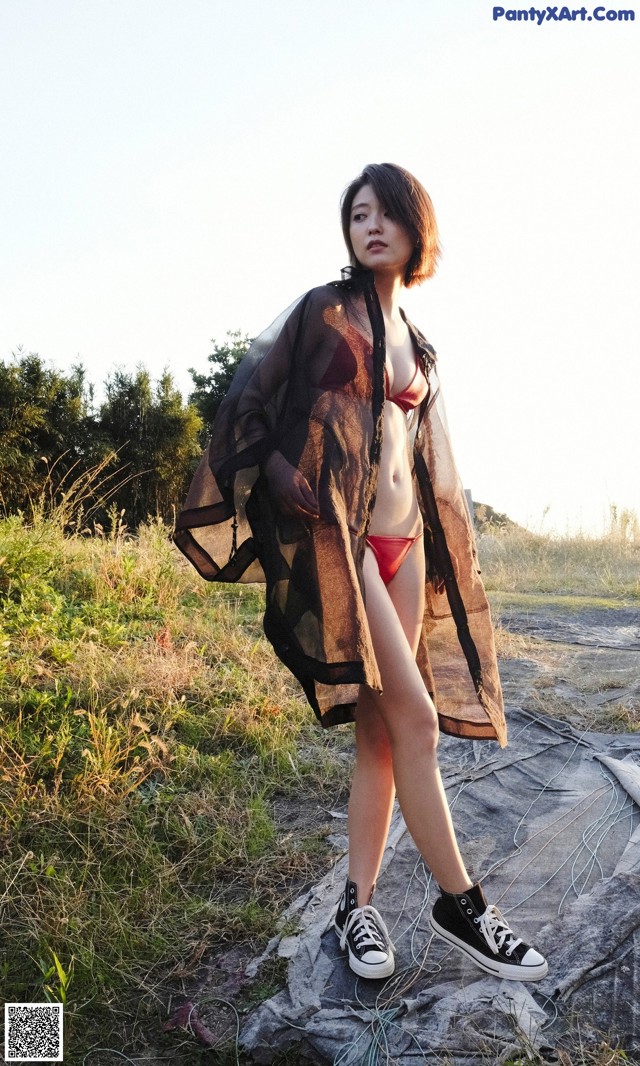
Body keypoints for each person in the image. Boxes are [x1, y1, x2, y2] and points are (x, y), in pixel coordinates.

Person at [174, 163, 548, 985]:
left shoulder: (420, 338)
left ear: (417, 226)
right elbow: (251, 404)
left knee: (381, 734)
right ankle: (464, 907)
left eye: (384, 213)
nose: (369, 226)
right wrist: (274, 468)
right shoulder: (324, 311)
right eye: (356, 214)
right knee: (416, 721)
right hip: (345, 541)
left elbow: (423, 459)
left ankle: (357, 906)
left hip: (406, 544)